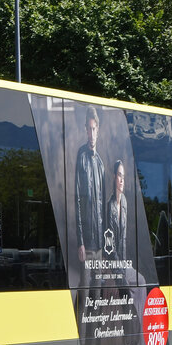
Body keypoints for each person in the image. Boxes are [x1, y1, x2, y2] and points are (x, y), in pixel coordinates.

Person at [75, 106, 105, 270]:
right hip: (86, 242)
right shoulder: (81, 155)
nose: (92, 134)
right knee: (85, 289)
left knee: (97, 292)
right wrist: (80, 241)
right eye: (89, 129)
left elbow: (103, 208)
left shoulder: (100, 164)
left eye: (94, 129)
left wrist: (107, 246)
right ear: (86, 130)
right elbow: (77, 199)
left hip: (100, 244)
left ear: (97, 130)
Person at [106, 159, 128, 263]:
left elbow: (123, 238)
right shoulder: (110, 205)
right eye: (119, 175)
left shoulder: (124, 201)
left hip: (122, 261)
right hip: (111, 261)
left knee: (141, 280)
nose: (122, 180)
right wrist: (118, 269)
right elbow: (109, 242)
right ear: (114, 177)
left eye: (123, 176)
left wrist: (123, 264)